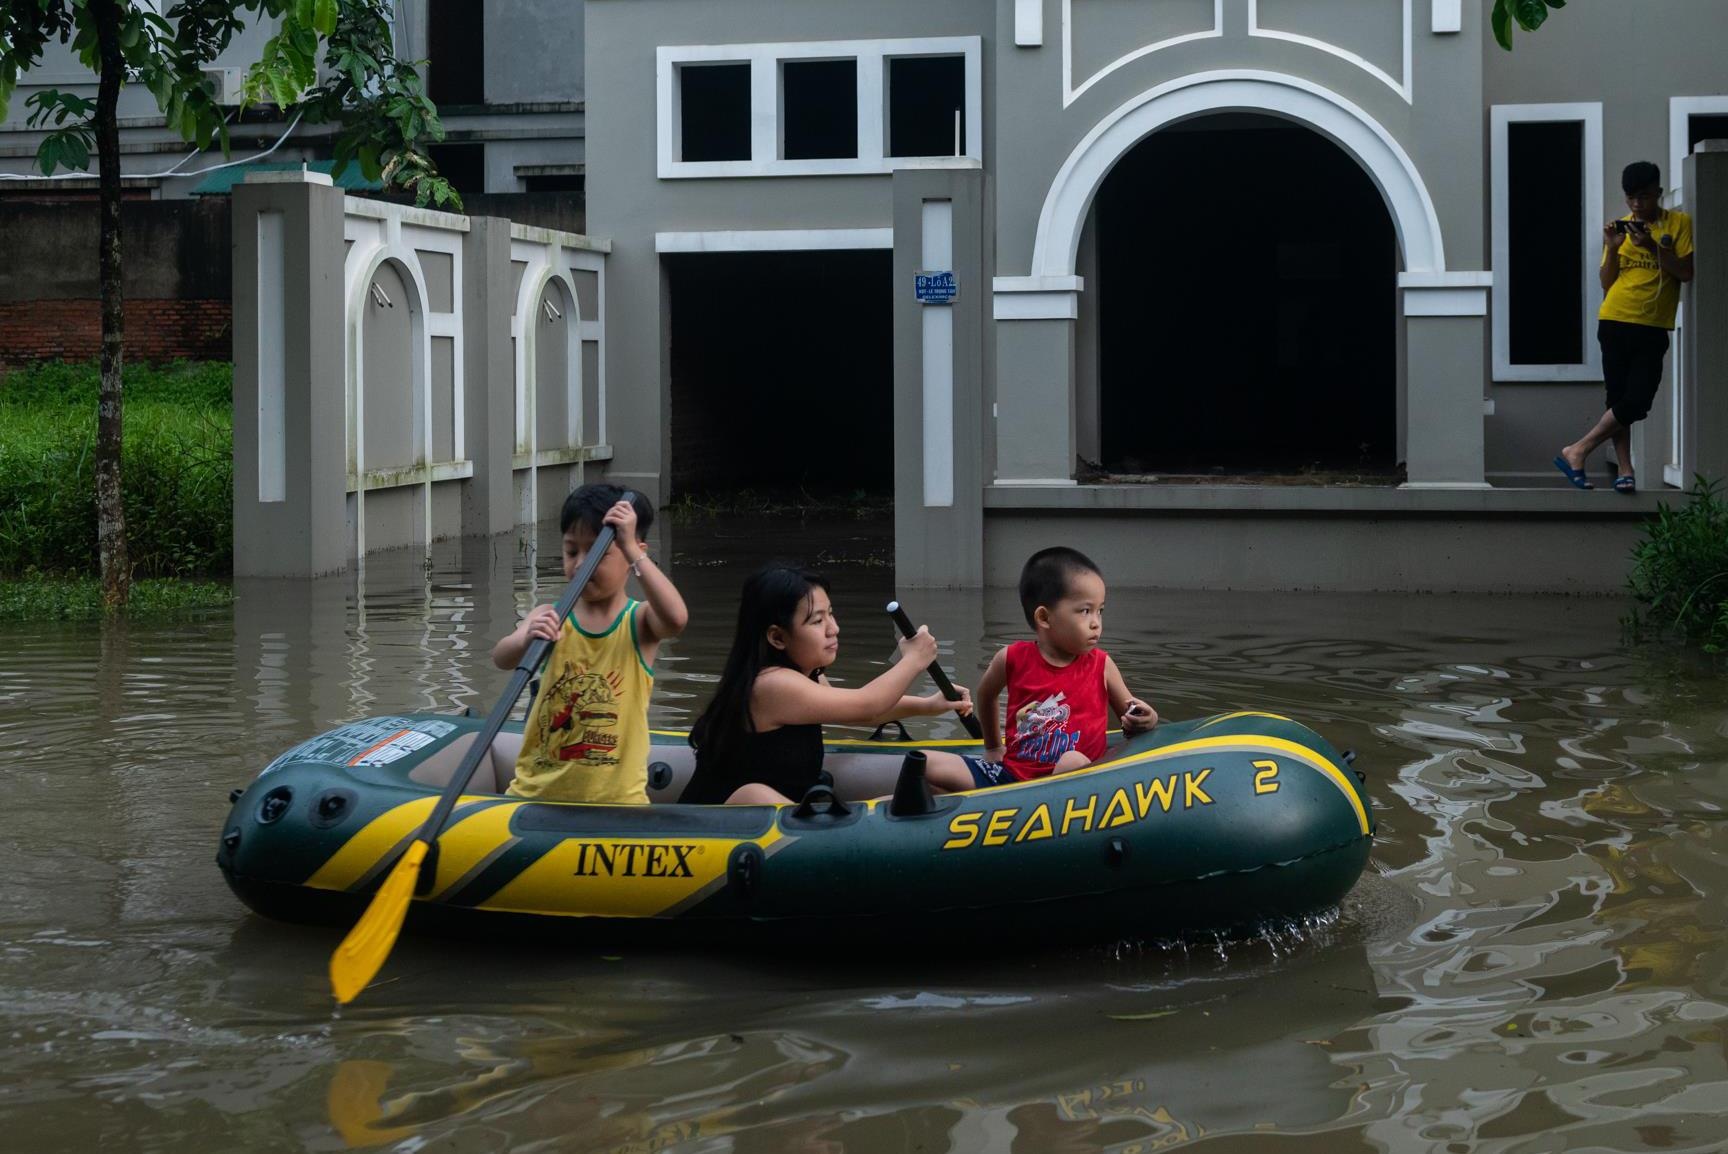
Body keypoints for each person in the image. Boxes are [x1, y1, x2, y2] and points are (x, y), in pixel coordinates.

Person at [682, 564, 974, 805]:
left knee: (932, 797)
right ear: (778, 638)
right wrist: (913, 660)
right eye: (817, 621)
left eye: (830, 614)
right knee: (754, 795)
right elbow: (866, 705)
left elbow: (855, 708)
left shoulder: (805, 675)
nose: (833, 628)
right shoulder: (771, 685)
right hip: (725, 824)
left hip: (792, 810)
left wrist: (927, 706)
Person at [492, 484, 689, 803]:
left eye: (596, 553)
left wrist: (631, 550)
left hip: (617, 801)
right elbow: (502, 657)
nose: (581, 563)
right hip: (536, 795)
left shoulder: (639, 622)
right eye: (572, 552)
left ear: (630, 554)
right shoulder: (549, 615)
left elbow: (677, 618)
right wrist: (527, 637)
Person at [919, 546, 1158, 792]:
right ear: (1044, 618)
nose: (1096, 623)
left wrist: (1147, 718)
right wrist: (992, 747)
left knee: (1071, 760)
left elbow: (1130, 716)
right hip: (1012, 776)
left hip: (1077, 782)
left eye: (1100, 611)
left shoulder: (1102, 665)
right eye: (1085, 611)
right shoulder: (1011, 658)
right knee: (925, 762)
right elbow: (986, 694)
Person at [1554, 161, 1695, 494]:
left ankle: (1578, 449)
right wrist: (1614, 248)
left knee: (1637, 401)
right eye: (1630, 198)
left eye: (1643, 197)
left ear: (1658, 193)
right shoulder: (1622, 229)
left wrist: (1653, 248)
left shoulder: (1677, 224)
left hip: (1652, 325)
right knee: (1617, 398)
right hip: (1615, 318)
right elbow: (1606, 282)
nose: (1636, 205)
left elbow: (1686, 272)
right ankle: (1626, 469)